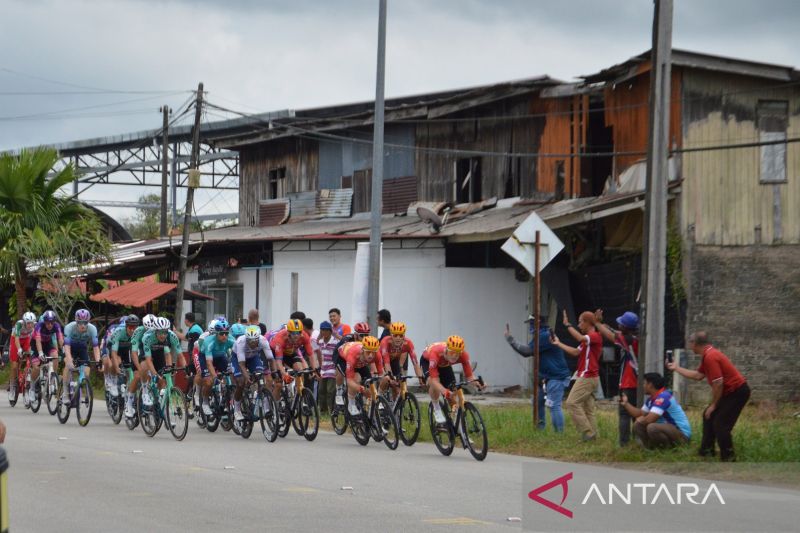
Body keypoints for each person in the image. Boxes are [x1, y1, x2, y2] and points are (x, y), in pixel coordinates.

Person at [667, 331, 750, 461]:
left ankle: (728, 458)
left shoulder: (710, 357)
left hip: (737, 392)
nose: (689, 346)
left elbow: (718, 383)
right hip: (731, 392)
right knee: (709, 416)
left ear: (695, 343)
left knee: (720, 424)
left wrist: (713, 405)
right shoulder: (708, 354)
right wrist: (676, 368)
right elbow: (698, 375)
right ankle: (706, 452)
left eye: (690, 343)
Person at [504, 315, 571, 432]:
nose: (530, 326)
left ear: (538, 322)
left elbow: (527, 351)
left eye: (532, 322)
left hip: (556, 377)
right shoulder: (540, 335)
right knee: (538, 402)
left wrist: (511, 340)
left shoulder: (545, 336)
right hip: (547, 377)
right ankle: (540, 429)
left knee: (554, 406)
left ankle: (559, 435)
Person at [552, 310, 602, 441]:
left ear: (587, 322)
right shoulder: (588, 340)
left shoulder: (594, 336)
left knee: (572, 403)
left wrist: (567, 325)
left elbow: (579, 338)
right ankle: (593, 435)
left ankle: (587, 433)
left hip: (587, 376)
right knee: (588, 408)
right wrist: (558, 343)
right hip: (589, 377)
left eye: (580, 322)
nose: (579, 326)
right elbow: (575, 352)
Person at [595, 309, 640, 446]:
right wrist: (606, 325)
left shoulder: (627, 340)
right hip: (639, 383)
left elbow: (612, 336)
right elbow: (616, 332)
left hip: (629, 382)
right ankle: (638, 441)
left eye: (621, 324)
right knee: (637, 414)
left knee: (624, 414)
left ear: (625, 327)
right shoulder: (636, 337)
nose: (618, 325)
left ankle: (624, 444)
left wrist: (597, 323)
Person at [421, 335, 485, 424]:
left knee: (453, 391)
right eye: (452, 352)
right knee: (434, 383)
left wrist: (477, 383)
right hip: (428, 361)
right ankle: (436, 408)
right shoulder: (435, 354)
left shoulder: (463, 355)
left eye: (458, 353)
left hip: (445, 364)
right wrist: (444, 391)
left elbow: (470, 377)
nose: (455, 356)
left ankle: (455, 421)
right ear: (446, 350)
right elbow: (434, 381)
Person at [620, 372, 691, 449]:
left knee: (652, 427)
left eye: (644, 383)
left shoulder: (663, 397)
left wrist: (640, 419)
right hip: (669, 430)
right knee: (638, 425)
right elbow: (639, 413)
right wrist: (626, 404)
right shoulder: (651, 399)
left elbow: (650, 419)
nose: (643, 386)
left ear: (650, 385)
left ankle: (666, 449)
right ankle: (650, 448)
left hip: (682, 435)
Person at [231, 325, 278, 421]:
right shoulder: (241, 342)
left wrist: (274, 373)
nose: (252, 343)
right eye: (250, 340)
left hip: (253, 357)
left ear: (258, 338)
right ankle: (237, 408)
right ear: (246, 338)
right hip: (237, 358)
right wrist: (246, 376)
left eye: (254, 340)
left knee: (260, 376)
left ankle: (262, 403)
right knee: (241, 382)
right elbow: (242, 364)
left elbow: (271, 359)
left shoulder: (263, 340)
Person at [136, 317, 180, 408]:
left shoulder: (170, 336)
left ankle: (159, 402)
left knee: (163, 379)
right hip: (147, 351)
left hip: (159, 352)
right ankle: (145, 390)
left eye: (165, 332)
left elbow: (168, 354)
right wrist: (155, 374)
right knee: (145, 365)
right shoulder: (147, 337)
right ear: (155, 331)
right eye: (160, 332)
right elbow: (148, 359)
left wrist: (169, 369)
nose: (163, 335)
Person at [337, 335, 386, 416]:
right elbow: (349, 381)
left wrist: (377, 392)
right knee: (356, 379)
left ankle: (369, 411)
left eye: (373, 352)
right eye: (368, 352)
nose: (371, 355)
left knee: (370, 383)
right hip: (343, 358)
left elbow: (381, 375)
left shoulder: (377, 354)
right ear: (363, 350)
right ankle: (350, 403)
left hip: (360, 362)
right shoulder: (353, 354)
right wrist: (361, 389)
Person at [61, 309, 101, 404]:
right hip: (70, 347)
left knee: (86, 370)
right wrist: (69, 360)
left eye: (85, 322)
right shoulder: (69, 327)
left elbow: (96, 347)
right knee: (67, 364)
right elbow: (67, 347)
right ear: (76, 321)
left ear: (88, 322)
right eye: (80, 322)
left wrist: (98, 361)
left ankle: (81, 385)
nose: (83, 325)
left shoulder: (92, 329)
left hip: (82, 347)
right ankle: (65, 392)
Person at [199, 319, 235, 416]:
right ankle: (205, 402)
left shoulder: (231, 340)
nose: (224, 336)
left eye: (226, 333)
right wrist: (214, 377)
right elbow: (209, 363)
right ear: (216, 333)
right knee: (209, 381)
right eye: (222, 333)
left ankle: (226, 400)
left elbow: (237, 354)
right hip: (205, 358)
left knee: (232, 376)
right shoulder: (209, 342)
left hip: (220, 357)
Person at [379, 322, 423, 399]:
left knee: (397, 387)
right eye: (395, 335)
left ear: (404, 336)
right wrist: (391, 377)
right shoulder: (385, 341)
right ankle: (379, 397)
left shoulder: (408, 343)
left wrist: (420, 377)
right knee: (387, 379)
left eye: (401, 335)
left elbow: (415, 363)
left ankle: (394, 404)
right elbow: (386, 363)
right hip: (382, 361)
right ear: (391, 335)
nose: (398, 338)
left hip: (394, 361)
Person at [333, 322, 370, 407]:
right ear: (356, 335)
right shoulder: (347, 339)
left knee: (367, 379)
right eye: (362, 335)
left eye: (366, 335)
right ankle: (339, 390)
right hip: (341, 357)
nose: (364, 338)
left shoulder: (368, 342)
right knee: (342, 372)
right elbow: (343, 357)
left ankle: (363, 401)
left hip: (356, 358)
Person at [108, 315, 139, 399]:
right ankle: (113, 379)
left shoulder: (138, 333)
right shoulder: (119, 331)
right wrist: (116, 367)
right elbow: (114, 352)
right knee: (117, 361)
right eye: (130, 327)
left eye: (135, 328)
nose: (132, 330)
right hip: (115, 347)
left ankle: (127, 386)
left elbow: (137, 351)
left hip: (127, 347)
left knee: (131, 367)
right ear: (126, 326)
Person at [33, 310, 64, 395]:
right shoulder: (39, 325)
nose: (50, 325)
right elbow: (38, 340)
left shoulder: (56, 326)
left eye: (52, 322)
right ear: (44, 321)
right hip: (36, 343)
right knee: (37, 366)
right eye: (47, 322)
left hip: (47, 343)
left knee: (55, 356)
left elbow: (60, 339)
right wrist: (40, 352)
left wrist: (64, 350)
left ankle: (53, 377)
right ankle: (33, 386)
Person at [9, 311, 36, 398]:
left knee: (32, 356)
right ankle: (12, 386)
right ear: (24, 322)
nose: (30, 325)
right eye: (28, 323)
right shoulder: (19, 324)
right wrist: (19, 349)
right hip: (15, 340)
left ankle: (28, 373)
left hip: (26, 340)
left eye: (31, 323)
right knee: (14, 366)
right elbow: (16, 338)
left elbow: (33, 340)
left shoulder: (34, 326)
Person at [315, 321, 338, 415]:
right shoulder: (320, 342)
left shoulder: (335, 342)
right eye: (322, 330)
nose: (324, 332)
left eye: (326, 330)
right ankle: (323, 411)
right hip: (323, 369)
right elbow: (316, 352)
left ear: (330, 331)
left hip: (332, 368)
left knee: (330, 390)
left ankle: (332, 410)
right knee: (321, 390)